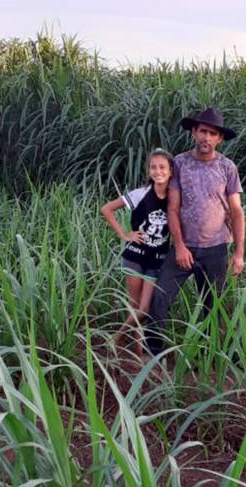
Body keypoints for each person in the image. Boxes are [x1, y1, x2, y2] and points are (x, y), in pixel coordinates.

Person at [146, 107, 246, 355]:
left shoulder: (227, 167)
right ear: (194, 132)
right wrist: (179, 246)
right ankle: (154, 353)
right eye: (203, 132)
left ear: (219, 138)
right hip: (185, 248)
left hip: (216, 249)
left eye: (213, 134)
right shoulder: (179, 164)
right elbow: (173, 207)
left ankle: (209, 357)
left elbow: (236, 211)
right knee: (160, 297)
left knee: (214, 307)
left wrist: (239, 253)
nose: (207, 138)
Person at [100, 148, 174, 353]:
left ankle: (116, 338)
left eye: (162, 167)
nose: (157, 171)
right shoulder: (140, 194)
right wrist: (125, 235)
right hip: (136, 256)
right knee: (135, 306)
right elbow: (107, 209)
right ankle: (138, 350)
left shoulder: (175, 197)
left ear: (170, 171)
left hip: (157, 258)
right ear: (148, 170)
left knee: (144, 308)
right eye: (153, 167)